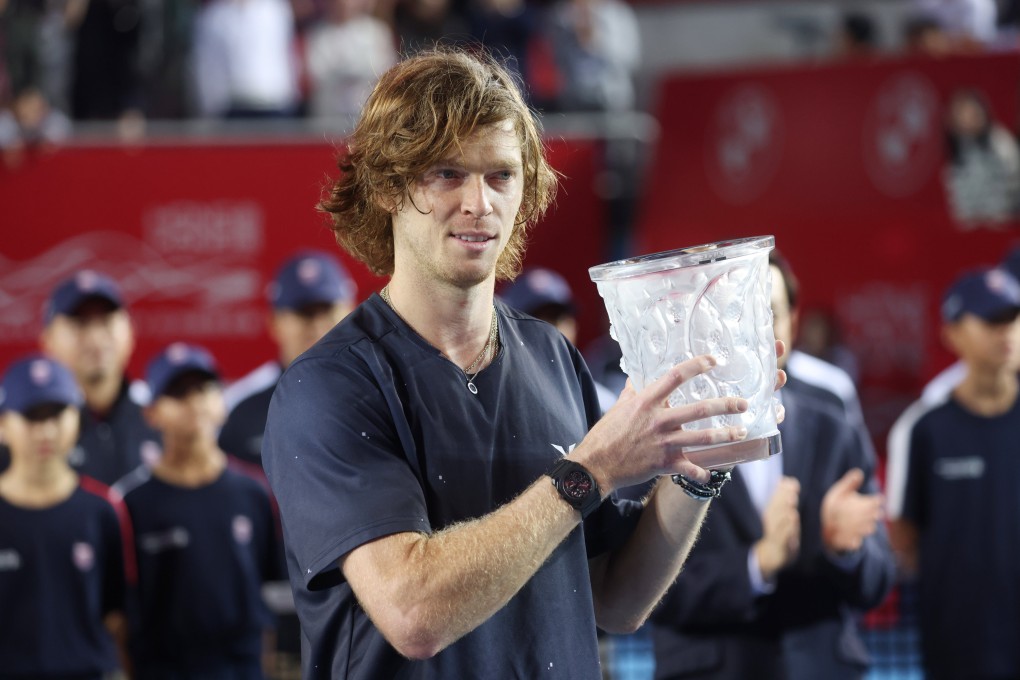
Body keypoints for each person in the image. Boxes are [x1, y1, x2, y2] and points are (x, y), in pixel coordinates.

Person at [261, 47, 782, 679]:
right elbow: (413, 612)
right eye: (447, 173)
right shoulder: (328, 385)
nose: (479, 202)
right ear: (389, 187)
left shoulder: (552, 354)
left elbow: (617, 598)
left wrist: (698, 461)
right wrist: (591, 472)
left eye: (501, 175)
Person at [648, 254, 895, 680]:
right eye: (738, 314)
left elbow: (879, 579)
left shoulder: (836, 432)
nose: (755, 333)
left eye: (770, 314)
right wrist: (755, 564)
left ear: (793, 323)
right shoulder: (666, 436)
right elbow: (642, 588)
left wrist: (846, 551)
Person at [112, 342, 283, 679]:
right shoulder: (131, 503)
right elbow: (120, 614)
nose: (194, 402)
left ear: (221, 402)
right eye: (178, 393)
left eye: (204, 389)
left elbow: (268, 593)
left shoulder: (255, 492)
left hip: (241, 668)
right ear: (152, 413)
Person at [885, 266, 1020, 680]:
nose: (1006, 331)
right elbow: (903, 536)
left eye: (1013, 318)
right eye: (992, 320)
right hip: (957, 643)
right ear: (953, 334)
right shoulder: (924, 427)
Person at [0, 354, 130, 679]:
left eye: (57, 414)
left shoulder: (103, 510)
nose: (45, 430)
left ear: (77, 418)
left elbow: (117, 615)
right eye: (31, 416)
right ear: (3, 425)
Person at [219, 250, 357, 467]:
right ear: (274, 322)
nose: (317, 325)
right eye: (305, 312)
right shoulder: (236, 406)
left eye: (327, 310)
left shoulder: (384, 394)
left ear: (352, 312)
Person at [23, 270, 160, 485]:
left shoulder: (162, 414)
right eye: (80, 323)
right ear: (47, 339)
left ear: (130, 330)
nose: (95, 338)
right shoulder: (22, 424)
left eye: (106, 321)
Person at [499, 266, 617, 412]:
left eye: (558, 318)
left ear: (574, 326)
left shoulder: (600, 403)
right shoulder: (493, 397)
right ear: (506, 326)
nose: (550, 330)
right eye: (533, 319)